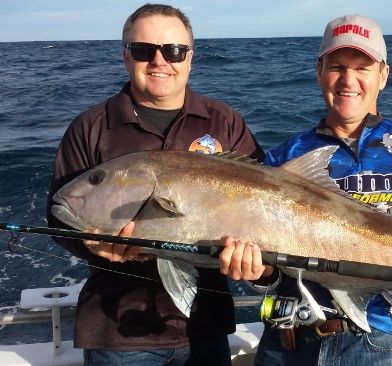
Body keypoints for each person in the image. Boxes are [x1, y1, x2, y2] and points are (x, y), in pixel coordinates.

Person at [218, 14, 392, 365]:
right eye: (337, 66)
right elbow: (270, 273)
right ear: (319, 71)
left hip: (387, 344)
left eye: (363, 67)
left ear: (383, 75)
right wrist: (256, 274)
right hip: (289, 343)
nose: (348, 80)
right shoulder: (281, 160)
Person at [47, 4, 263, 366]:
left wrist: (264, 269)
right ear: (125, 57)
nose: (159, 61)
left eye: (174, 50)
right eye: (144, 50)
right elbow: (58, 216)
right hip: (117, 332)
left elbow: (266, 201)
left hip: (206, 325)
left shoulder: (225, 121)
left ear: (190, 57)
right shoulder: (90, 126)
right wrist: (91, 247)